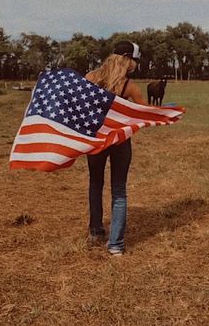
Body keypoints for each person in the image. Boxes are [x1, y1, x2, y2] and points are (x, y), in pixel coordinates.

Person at [85, 40, 147, 256]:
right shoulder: (129, 86)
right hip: (120, 143)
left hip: (95, 141)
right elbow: (144, 113)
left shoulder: (91, 78)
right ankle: (116, 245)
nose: (136, 66)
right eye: (135, 61)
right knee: (119, 191)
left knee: (95, 184)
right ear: (128, 60)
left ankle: (95, 232)